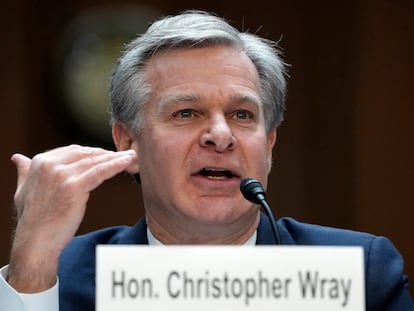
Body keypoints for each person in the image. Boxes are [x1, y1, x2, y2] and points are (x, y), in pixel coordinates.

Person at [0, 10, 412, 311]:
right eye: (186, 113)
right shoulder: (61, 277)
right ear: (129, 143)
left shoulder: (358, 272)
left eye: (241, 115)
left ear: (268, 144)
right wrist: (32, 270)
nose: (220, 135)